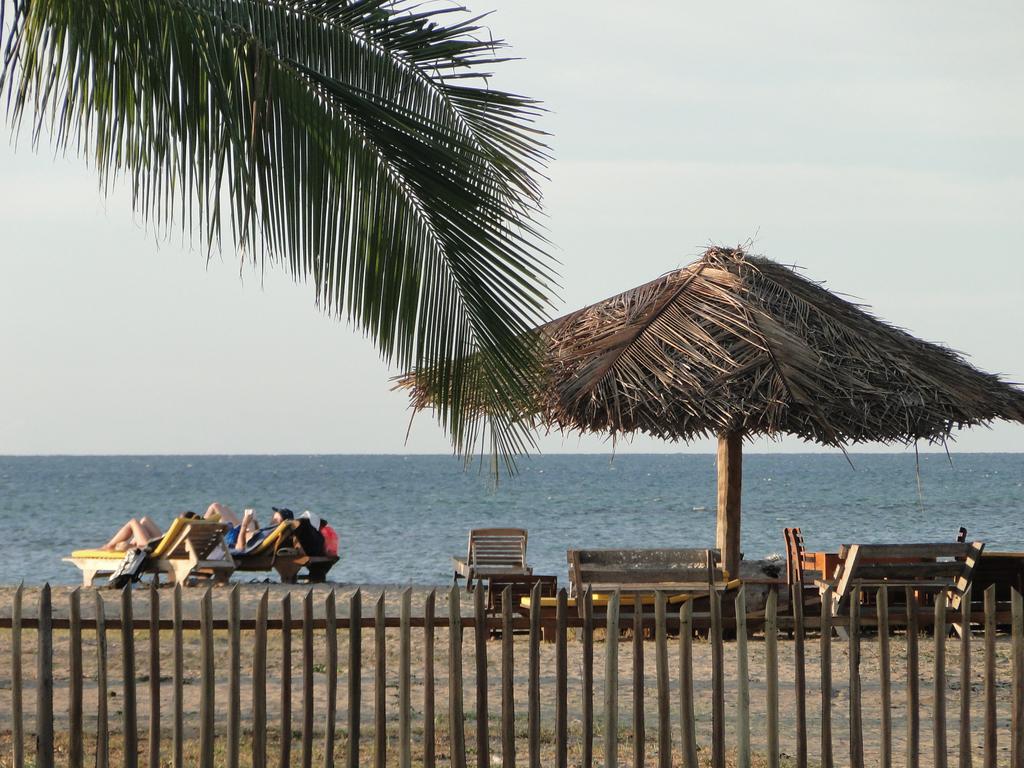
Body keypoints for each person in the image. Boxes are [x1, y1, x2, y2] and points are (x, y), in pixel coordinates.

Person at [100, 510, 201, 551]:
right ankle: (129, 545)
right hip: (160, 544)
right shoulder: (193, 531)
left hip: (152, 547)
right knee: (144, 520)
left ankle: (109, 545)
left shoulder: (183, 530)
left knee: (133, 522)